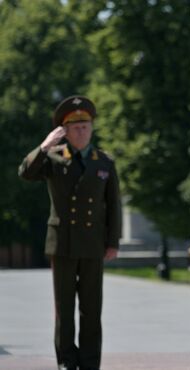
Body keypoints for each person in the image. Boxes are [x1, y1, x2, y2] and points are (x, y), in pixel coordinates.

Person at [19, 95, 121, 370]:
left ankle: (89, 363)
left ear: (92, 128)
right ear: (64, 130)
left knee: (91, 309)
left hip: (92, 244)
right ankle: (66, 360)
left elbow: (114, 206)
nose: (81, 131)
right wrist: (44, 146)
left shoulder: (104, 162)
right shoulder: (53, 157)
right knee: (64, 309)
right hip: (62, 243)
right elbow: (26, 172)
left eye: (86, 126)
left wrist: (113, 242)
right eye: (75, 127)